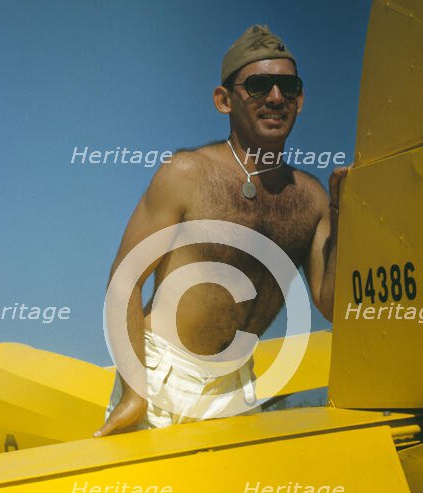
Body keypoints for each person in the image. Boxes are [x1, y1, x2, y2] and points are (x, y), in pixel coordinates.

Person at [95, 24, 347, 438]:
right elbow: (124, 282)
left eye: (288, 86)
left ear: (300, 100)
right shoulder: (186, 173)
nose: (276, 97)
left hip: (237, 385)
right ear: (223, 100)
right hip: (162, 379)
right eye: (259, 85)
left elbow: (331, 305)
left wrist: (344, 211)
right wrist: (134, 394)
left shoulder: (314, 199)